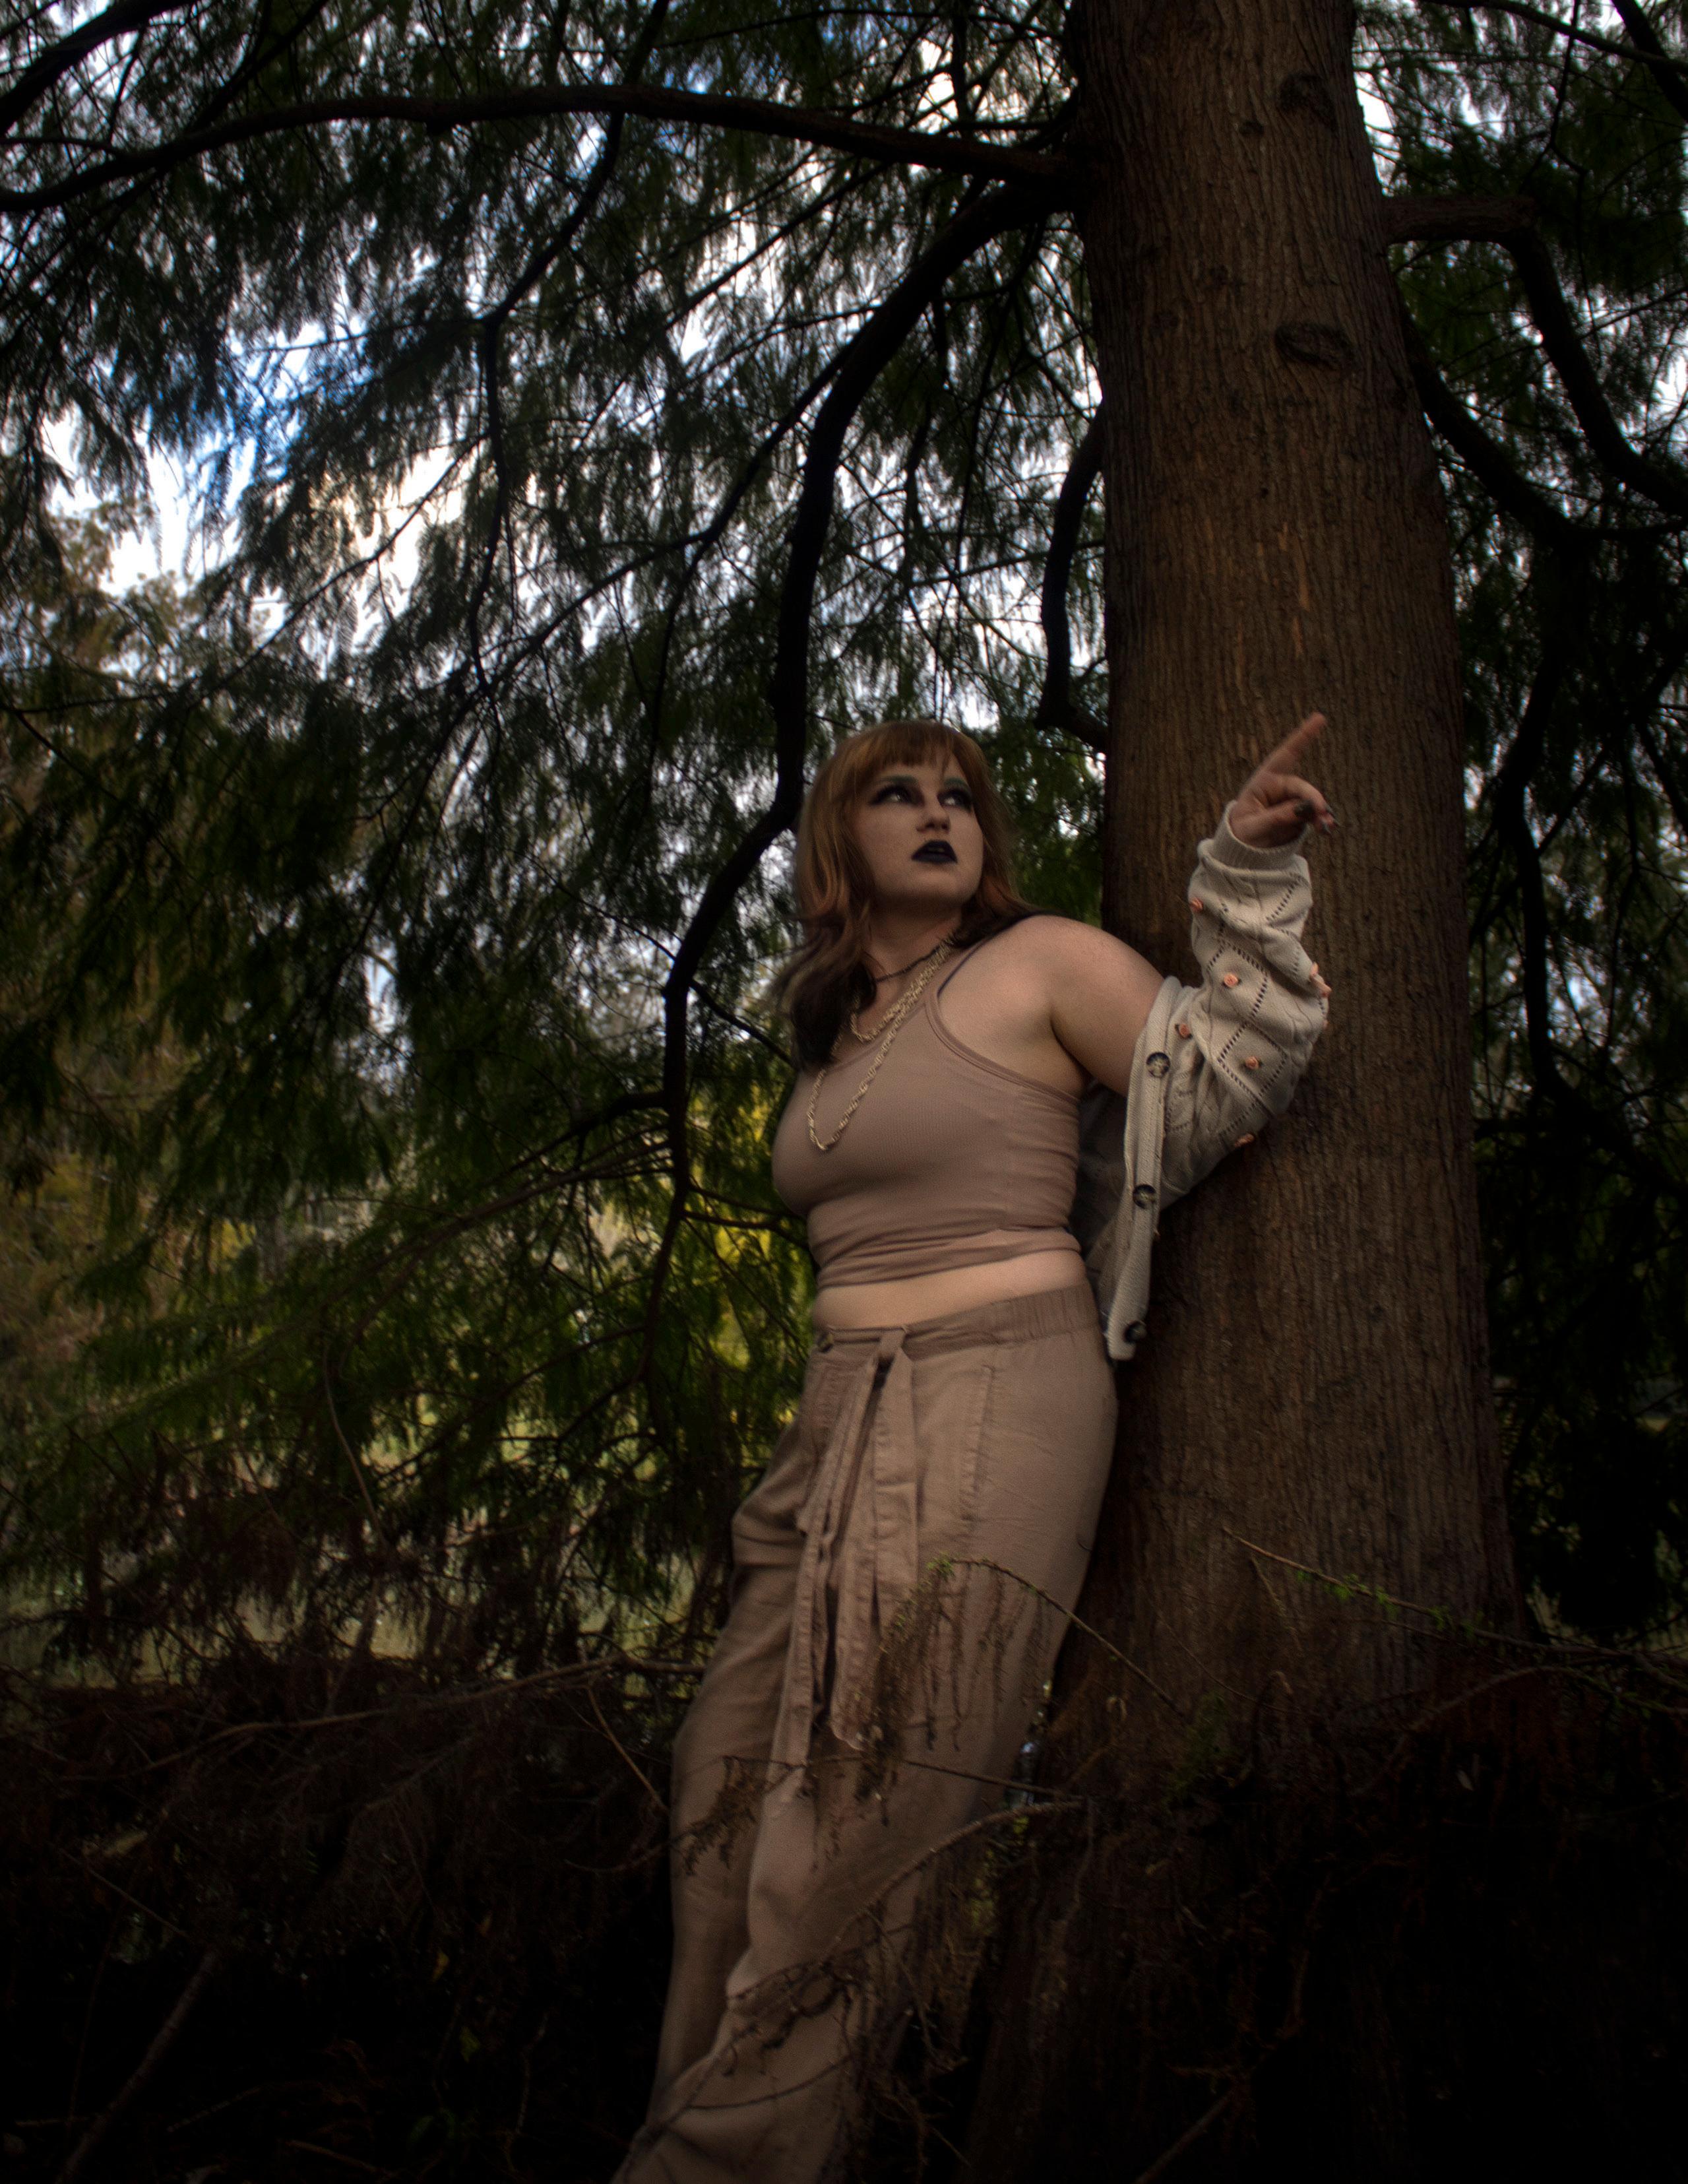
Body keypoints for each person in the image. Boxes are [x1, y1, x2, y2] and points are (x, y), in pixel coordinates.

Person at [617, 715, 1333, 2182]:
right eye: (898, 793)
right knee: (724, 1776)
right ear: (840, 839)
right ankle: (688, 2110)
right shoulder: (836, 1029)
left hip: (994, 1391)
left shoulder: (1036, 964)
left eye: (960, 795)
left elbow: (1224, 1074)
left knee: (861, 1816)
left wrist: (1246, 869)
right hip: (836, 1412)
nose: (939, 810)